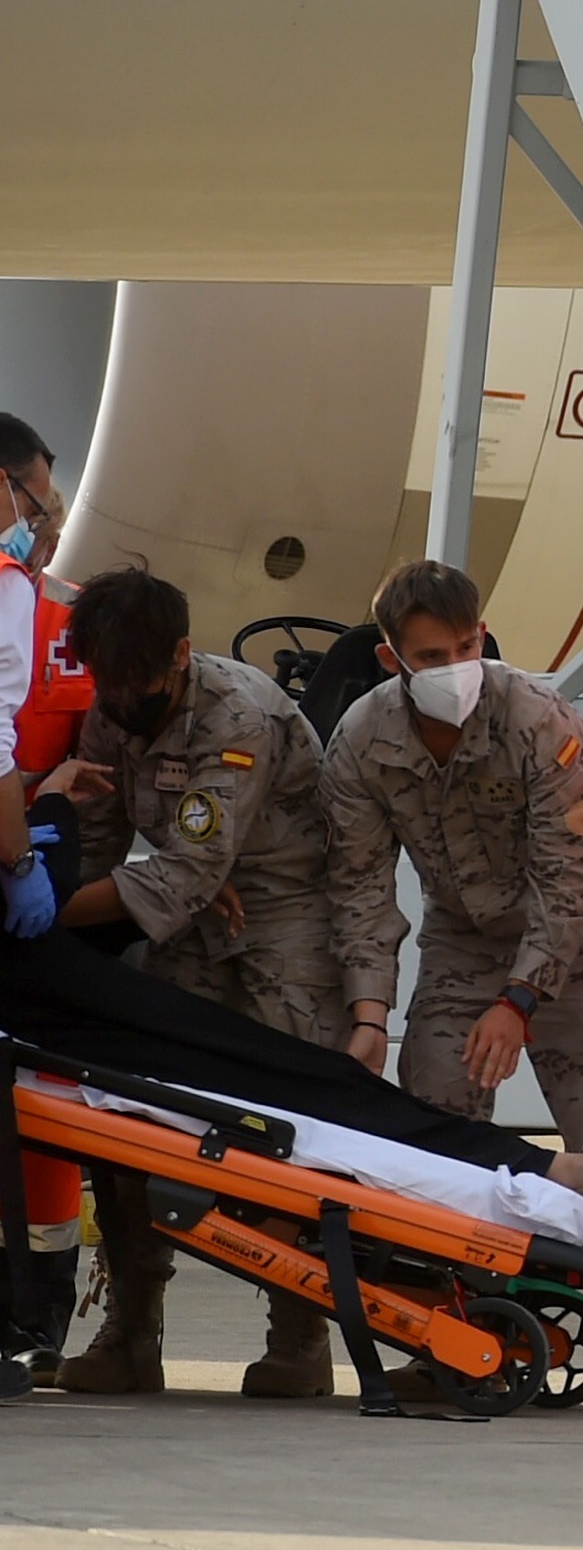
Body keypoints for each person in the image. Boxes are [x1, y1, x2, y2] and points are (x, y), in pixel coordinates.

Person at [323, 559, 583, 1407]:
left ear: (482, 636)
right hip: (464, 939)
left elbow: (572, 874)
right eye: (430, 654)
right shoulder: (362, 741)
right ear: (391, 661)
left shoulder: (538, 717)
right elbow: (359, 888)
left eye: (466, 645)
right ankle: (453, 1325)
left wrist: (520, 1000)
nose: (455, 665)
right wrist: (371, 1015)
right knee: (433, 1127)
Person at [37, 566, 347, 1395]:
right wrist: (59, 903)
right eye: (107, 681)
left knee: (288, 1125)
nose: (119, 699)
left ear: (178, 656)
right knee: (131, 1113)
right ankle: (130, 1333)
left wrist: (31, 915)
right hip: (188, 915)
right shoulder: (112, 707)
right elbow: (101, 846)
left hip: (283, 918)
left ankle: (299, 1338)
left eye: (135, 680)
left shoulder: (235, 714)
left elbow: (186, 873)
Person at [0, 414, 90, 1386]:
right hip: (22, 859)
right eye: (37, 506)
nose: (48, 528)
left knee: (45, 1101)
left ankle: (36, 1312)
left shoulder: (58, 620)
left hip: (37, 877)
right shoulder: (15, 602)